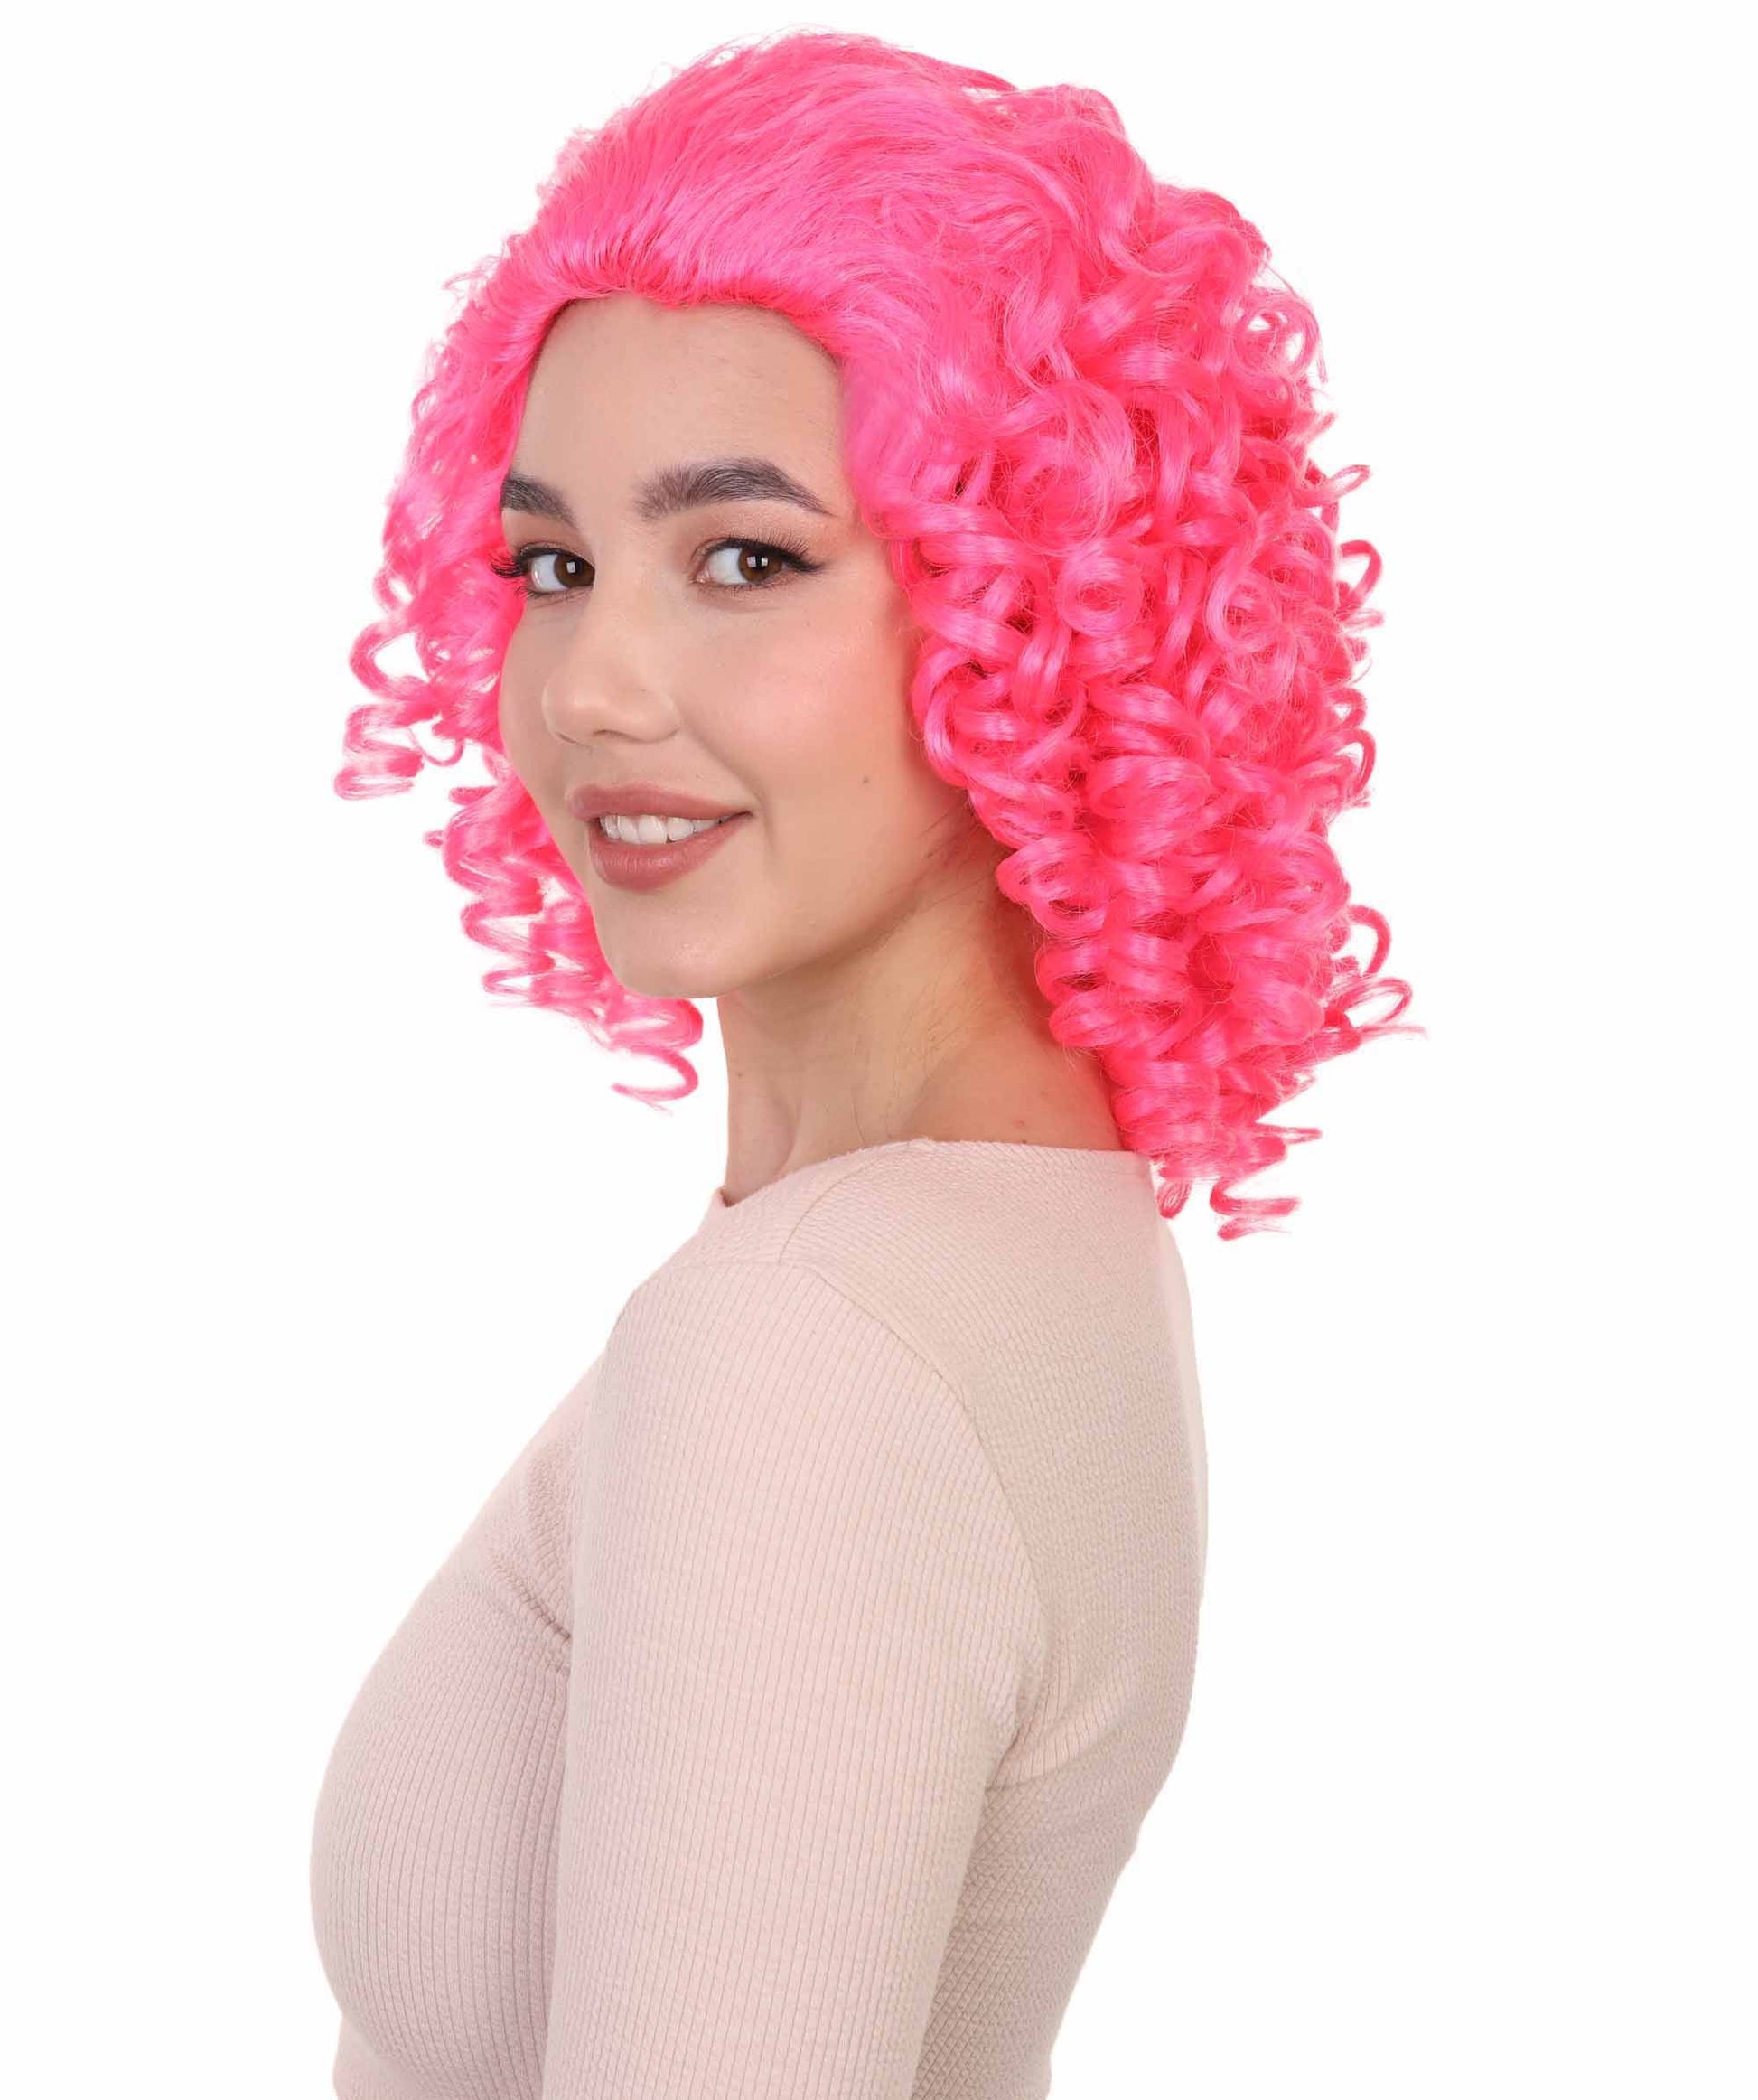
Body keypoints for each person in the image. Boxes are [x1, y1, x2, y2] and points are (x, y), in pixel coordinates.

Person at [310, 28, 1415, 2100]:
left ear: (1036, 617)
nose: (594, 682)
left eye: (746, 558)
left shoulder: (806, 1342)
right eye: (552, 565)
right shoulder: (1021, 1242)